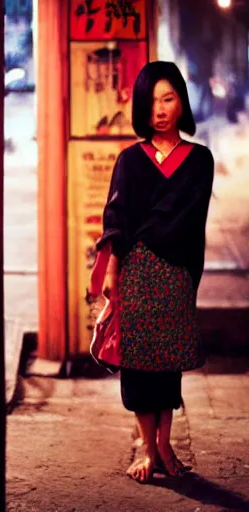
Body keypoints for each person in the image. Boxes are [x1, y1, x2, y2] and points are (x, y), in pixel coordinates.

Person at [89, 61, 214, 484]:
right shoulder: (129, 160)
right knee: (139, 363)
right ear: (142, 107)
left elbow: (190, 219)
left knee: (168, 362)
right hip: (136, 273)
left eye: (169, 98)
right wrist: (112, 272)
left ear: (181, 102)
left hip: (176, 271)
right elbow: (117, 217)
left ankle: (165, 444)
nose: (160, 109)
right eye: (153, 101)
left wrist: (148, 237)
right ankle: (148, 446)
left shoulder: (200, 160)